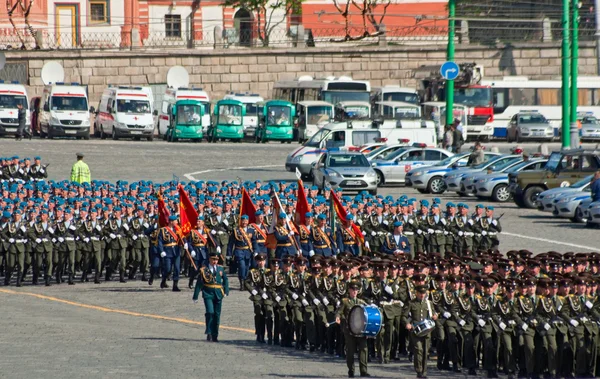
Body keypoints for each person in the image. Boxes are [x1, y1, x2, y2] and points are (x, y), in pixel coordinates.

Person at [193, 251, 230, 342]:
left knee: (217, 315)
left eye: (216, 260)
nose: (215, 262)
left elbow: (225, 280)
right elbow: (199, 283)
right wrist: (195, 296)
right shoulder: (204, 270)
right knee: (210, 312)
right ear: (209, 259)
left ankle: (215, 334)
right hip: (208, 293)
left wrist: (226, 291)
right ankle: (209, 332)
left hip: (218, 293)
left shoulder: (220, 269)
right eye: (213, 259)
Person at [335, 281, 369, 378]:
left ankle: (363, 371)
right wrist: (338, 317)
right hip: (349, 330)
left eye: (356, 290)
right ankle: (351, 370)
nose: (354, 291)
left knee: (363, 349)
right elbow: (339, 312)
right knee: (350, 351)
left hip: (360, 330)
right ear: (349, 290)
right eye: (353, 290)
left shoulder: (362, 302)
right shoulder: (345, 301)